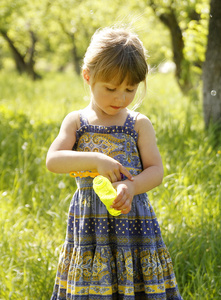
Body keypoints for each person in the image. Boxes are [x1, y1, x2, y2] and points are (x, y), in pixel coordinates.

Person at [46, 26, 182, 299]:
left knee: (135, 282)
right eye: (111, 88)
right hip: (90, 227)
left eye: (130, 89)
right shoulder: (76, 122)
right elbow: (53, 160)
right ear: (88, 77)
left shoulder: (138, 124)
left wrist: (132, 188)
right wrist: (95, 160)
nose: (120, 98)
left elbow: (156, 171)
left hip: (133, 223)